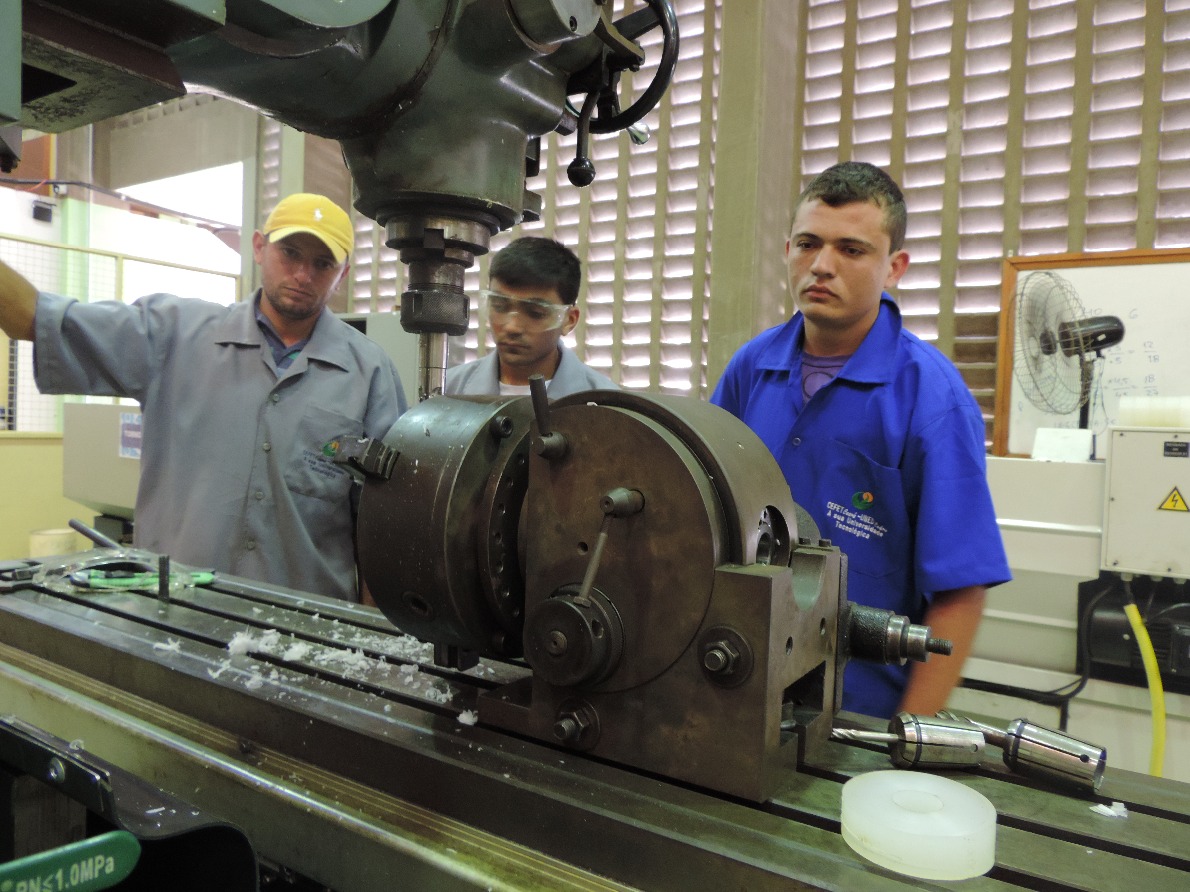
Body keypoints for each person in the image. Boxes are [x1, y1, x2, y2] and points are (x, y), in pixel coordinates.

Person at [0, 193, 407, 602]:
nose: (303, 274)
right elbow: (36, 318)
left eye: (323, 264)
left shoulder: (369, 373)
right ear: (259, 247)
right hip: (179, 619)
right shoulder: (172, 336)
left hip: (307, 632)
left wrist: (372, 639)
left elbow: (382, 528)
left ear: (343, 274)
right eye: (290, 252)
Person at [711, 162, 1010, 719]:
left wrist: (905, 740)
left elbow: (960, 591)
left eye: (851, 249)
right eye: (808, 244)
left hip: (856, 708)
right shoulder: (751, 369)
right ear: (788, 249)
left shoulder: (932, 399)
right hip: (735, 676)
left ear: (894, 266)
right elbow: (704, 509)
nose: (821, 266)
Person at [445, 236, 617, 397]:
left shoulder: (607, 404)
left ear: (569, 320)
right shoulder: (448, 390)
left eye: (535, 313)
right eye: (499, 306)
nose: (512, 327)